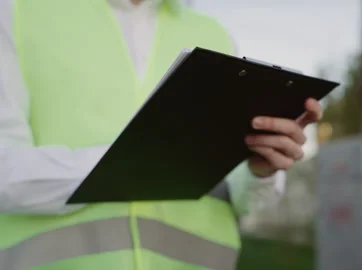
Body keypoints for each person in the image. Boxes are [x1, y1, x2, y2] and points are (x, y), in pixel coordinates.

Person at [0, 0, 322, 269]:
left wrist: (259, 173)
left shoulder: (213, 34)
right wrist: (131, 161)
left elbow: (243, 200)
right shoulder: (20, 13)